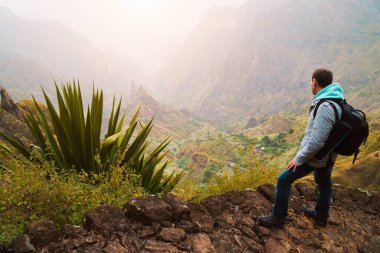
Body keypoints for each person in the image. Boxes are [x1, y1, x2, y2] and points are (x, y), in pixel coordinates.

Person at [258, 68, 344, 227]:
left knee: (283, 179)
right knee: (324, 181)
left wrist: (299, 158)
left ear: (314, 82)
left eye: (311, 82)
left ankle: (278, 218)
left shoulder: (325, 106)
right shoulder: (336, 100)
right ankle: (321, 216)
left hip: (317, 155)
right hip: (329, 154)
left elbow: (317, 141)